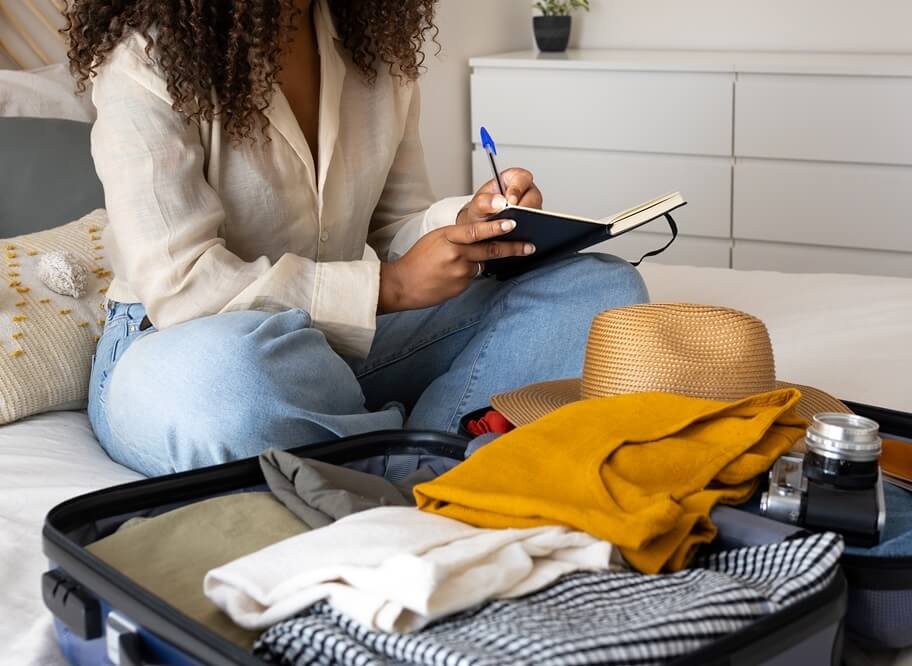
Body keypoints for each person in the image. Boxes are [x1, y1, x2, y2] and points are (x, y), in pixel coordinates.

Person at [65, 0, 648, 477]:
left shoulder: (372, 39)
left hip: (346, 344)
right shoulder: (143, 58)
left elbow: (397, 224)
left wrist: (469, 222)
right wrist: (390, 287)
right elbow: (184, 287)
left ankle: (410, 452)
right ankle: (432, 456)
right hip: (185, 343)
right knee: (226, 387)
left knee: (599, 287)